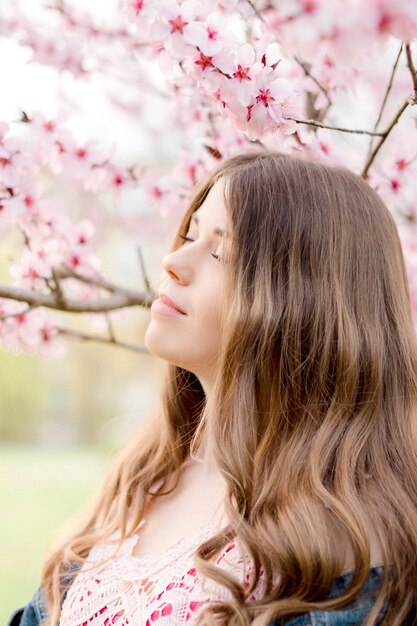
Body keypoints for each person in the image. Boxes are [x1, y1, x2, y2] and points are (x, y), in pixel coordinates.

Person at [8, 150, 417, 626]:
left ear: (303, 303)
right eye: (189, 233)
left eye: (220, 251)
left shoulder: (348, 549)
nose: (173, 261)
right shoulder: (143, 477)